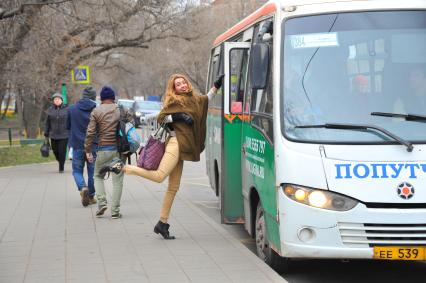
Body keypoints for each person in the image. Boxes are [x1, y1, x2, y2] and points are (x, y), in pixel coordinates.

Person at [101, 74, 223, 239]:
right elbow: (161, 118)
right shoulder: (174, 101)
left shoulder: (194, 99)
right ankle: (121, 167)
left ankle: (162, 224)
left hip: (184, 147)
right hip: (175, 143)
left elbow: (205, 100)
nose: (182, 85)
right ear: (174, 89)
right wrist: (178, 116)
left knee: (173, 187)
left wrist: (215, 87)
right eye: (178, 84)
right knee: (159, 176)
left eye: (183, 82)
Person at [84, 86, 132, 219]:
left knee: (98, 176)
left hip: (103, 150)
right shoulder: (121, 109)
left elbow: (90, 133)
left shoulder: (96, 111)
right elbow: (130, 124)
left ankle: (102, 203)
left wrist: (88, 150)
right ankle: (115, 211)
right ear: (113, 97)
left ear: (102, 98)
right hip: (119, 151)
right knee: (117, 181)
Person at [67, 86, 98, 207]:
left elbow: (67, 126)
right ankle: (90, 196)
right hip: (93, 145)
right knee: (93, 172)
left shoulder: (72, 109)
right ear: (93, 97)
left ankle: (82, 188)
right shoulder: (97, 110)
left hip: (77, 145)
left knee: (77, 170)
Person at [44, 92, 69, 173]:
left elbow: (71, 120)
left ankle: (61, 166)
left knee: (62, 151)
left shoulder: (67, 109)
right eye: (55, 99)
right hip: (53, 134)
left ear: (61, 100)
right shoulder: (50, 110)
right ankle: (60, 161)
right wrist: (46, 133)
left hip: (64, 134)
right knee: (55, 151)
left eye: (58, 99)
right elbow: (47, 122)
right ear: (53, 101)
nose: (57, 101)